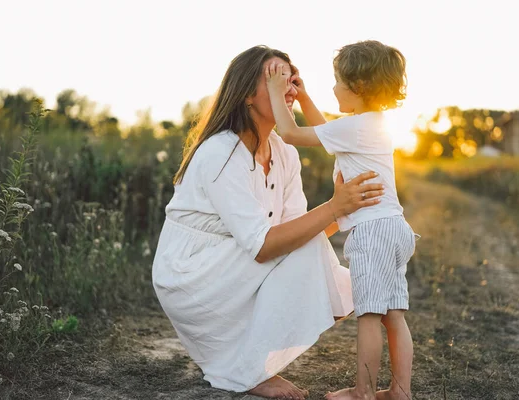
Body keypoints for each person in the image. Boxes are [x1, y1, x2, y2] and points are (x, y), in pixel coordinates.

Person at [152, 45, 384, 400]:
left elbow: (298, 231)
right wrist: (334, 207)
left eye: (291, 79)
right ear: (247, 93)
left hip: (237, 262)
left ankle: (249, 358)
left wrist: (351, 205)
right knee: (316, 264)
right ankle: (248, 371)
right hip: (193, 273)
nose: (288, 89)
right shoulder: (220, 151)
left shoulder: (284, 152)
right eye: (275, 79)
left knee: (350, 288)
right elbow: (263, 247)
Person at [266, 40, 417, 400]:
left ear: (359, 87)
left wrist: (275, 90)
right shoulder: (365, 125)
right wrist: (303, 100)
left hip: (372, 233)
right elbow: (327, 136)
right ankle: (400, 391)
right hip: (395, 228)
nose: (333, 88)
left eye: (337, 81)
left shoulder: (357, 127)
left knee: (368, 316)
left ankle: (362, 393)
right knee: (393, 315)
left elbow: (290, 134)